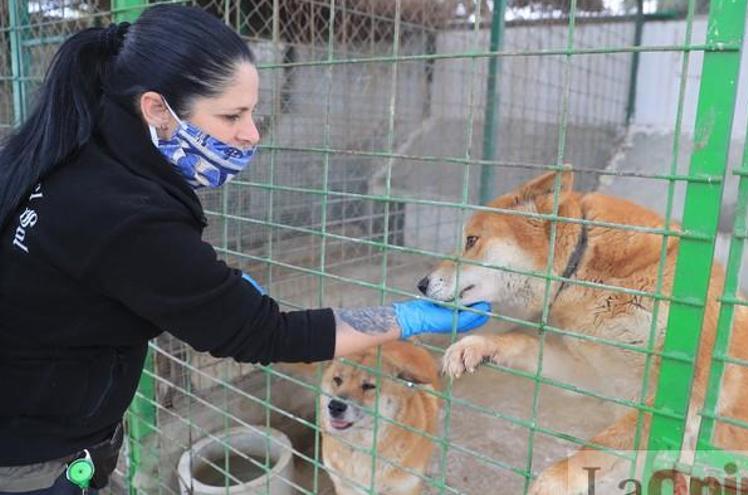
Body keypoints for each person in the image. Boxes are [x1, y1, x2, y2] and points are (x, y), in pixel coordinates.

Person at [0, 6, 489, 494]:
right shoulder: (124, 213)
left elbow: (101, 277)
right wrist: (409, 318)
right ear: (156, 110)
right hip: (34, 460)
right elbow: (266, 334)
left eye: (253, 110)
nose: (252, 132)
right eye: (232, 115)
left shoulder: (67, 153)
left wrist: (198, 285)